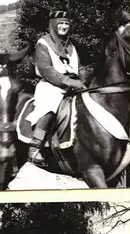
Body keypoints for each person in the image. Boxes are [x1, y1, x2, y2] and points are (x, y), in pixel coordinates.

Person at [27, 10, 86, 167]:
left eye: (66, 23)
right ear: (53, 25)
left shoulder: (72, 47)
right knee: (50, 106)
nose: (64, 26)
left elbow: (79, 68)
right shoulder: (43, 43)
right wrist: (67, 81)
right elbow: (46, 70)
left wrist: (85, 82)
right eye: (61, 23)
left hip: (73, 86)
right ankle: (35, 146)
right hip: (51, 86)